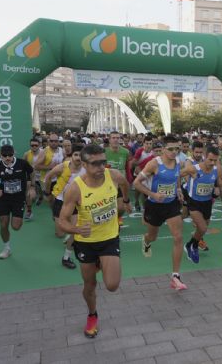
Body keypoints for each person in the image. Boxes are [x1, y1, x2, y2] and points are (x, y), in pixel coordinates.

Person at [58, 144, 128, 338]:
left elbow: (125, 183)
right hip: (86, 242)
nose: (100, 167)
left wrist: (125, 201)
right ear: (84, 164)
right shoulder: (75, 189)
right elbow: (62, 222)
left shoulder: (112, 175)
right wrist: (76, 229)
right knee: (89, 285)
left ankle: (102, 262)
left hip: (109, 238)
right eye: (95, 164)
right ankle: (92, 314)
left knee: (112, 285)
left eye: (103, 162)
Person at [134, 134, 188, 290]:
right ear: (163, 149)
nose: (174, 152)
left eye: (177, 149)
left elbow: (177, 176)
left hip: (171, 204)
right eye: (170, 149)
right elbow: (136, 183)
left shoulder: (178, 162)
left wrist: (178, 189)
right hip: (154, 205)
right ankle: (146, 241)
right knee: (153, 236)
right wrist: (153, 195)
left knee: (178, 237)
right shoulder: (154, 164)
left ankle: (175, 276)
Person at [0, 145, 35, 259]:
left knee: (15, 226)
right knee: (3, 224)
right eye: (4, 156)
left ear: (14, 154)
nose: (7, 158)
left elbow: (32, 173)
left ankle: (18, 217)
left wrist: (32, 186)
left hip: (18, 198)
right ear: (0, 155)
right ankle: (6, 249)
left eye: (10, 155)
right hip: (3, 198)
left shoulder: (22, 163)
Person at [44, 143, 86, 269]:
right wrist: (47, 193)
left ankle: (66, 257)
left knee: (75, 231)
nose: (78, 157)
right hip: (60, 201)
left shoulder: (86, 168)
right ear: (71, 156)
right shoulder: (63, 167)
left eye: (81, 155)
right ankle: (64, 228)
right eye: (76, 155)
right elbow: (48, 177)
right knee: (60, 233)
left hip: (76, 203)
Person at [183, 146, 222, 263]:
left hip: (207, 202)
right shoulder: (193, 168)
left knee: (202, 230)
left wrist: (217, 188)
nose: (212, 163)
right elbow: (177, 175)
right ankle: (194, 247)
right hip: (194, 202)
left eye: (215, 160)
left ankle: (190, 244)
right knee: (202, 228)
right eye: (210, 160)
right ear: (205, 156)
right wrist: (180, 190)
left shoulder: (217, 169)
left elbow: (219, 182)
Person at [34, 133, 65, 206]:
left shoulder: (61, 150)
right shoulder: (44, 152)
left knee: (60, 200)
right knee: (51, 201)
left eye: (55, 141)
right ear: (48, 142)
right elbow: (36, 166)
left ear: (58, 141)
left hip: (60, 179)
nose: (53, 143)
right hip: (48, 180)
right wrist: (50, 167)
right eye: (51, 141)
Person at [23, 138, 43, 215]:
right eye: (32, 145)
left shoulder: (43, 153)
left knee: (43, 192)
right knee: (28, 192)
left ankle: (41, 197)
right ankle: (29, 211)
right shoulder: (26, 154)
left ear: (39, 145)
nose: (34, 147)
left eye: (36, 145)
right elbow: (23, 165)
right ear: (30, 145)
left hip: (42, 175)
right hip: (31, 176)